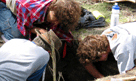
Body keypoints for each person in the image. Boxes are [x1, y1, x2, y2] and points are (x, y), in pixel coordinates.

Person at [0, 0, 81, 46]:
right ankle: (5, 32)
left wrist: (73, 42)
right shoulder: (28, 8)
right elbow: (23, 27)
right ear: (53, 7)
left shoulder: (56, 11)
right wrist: (37, 30)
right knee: (18, 36)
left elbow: (62, 32)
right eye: (56, 19)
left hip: (25, 11)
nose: (56, 23)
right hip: (4, 4)